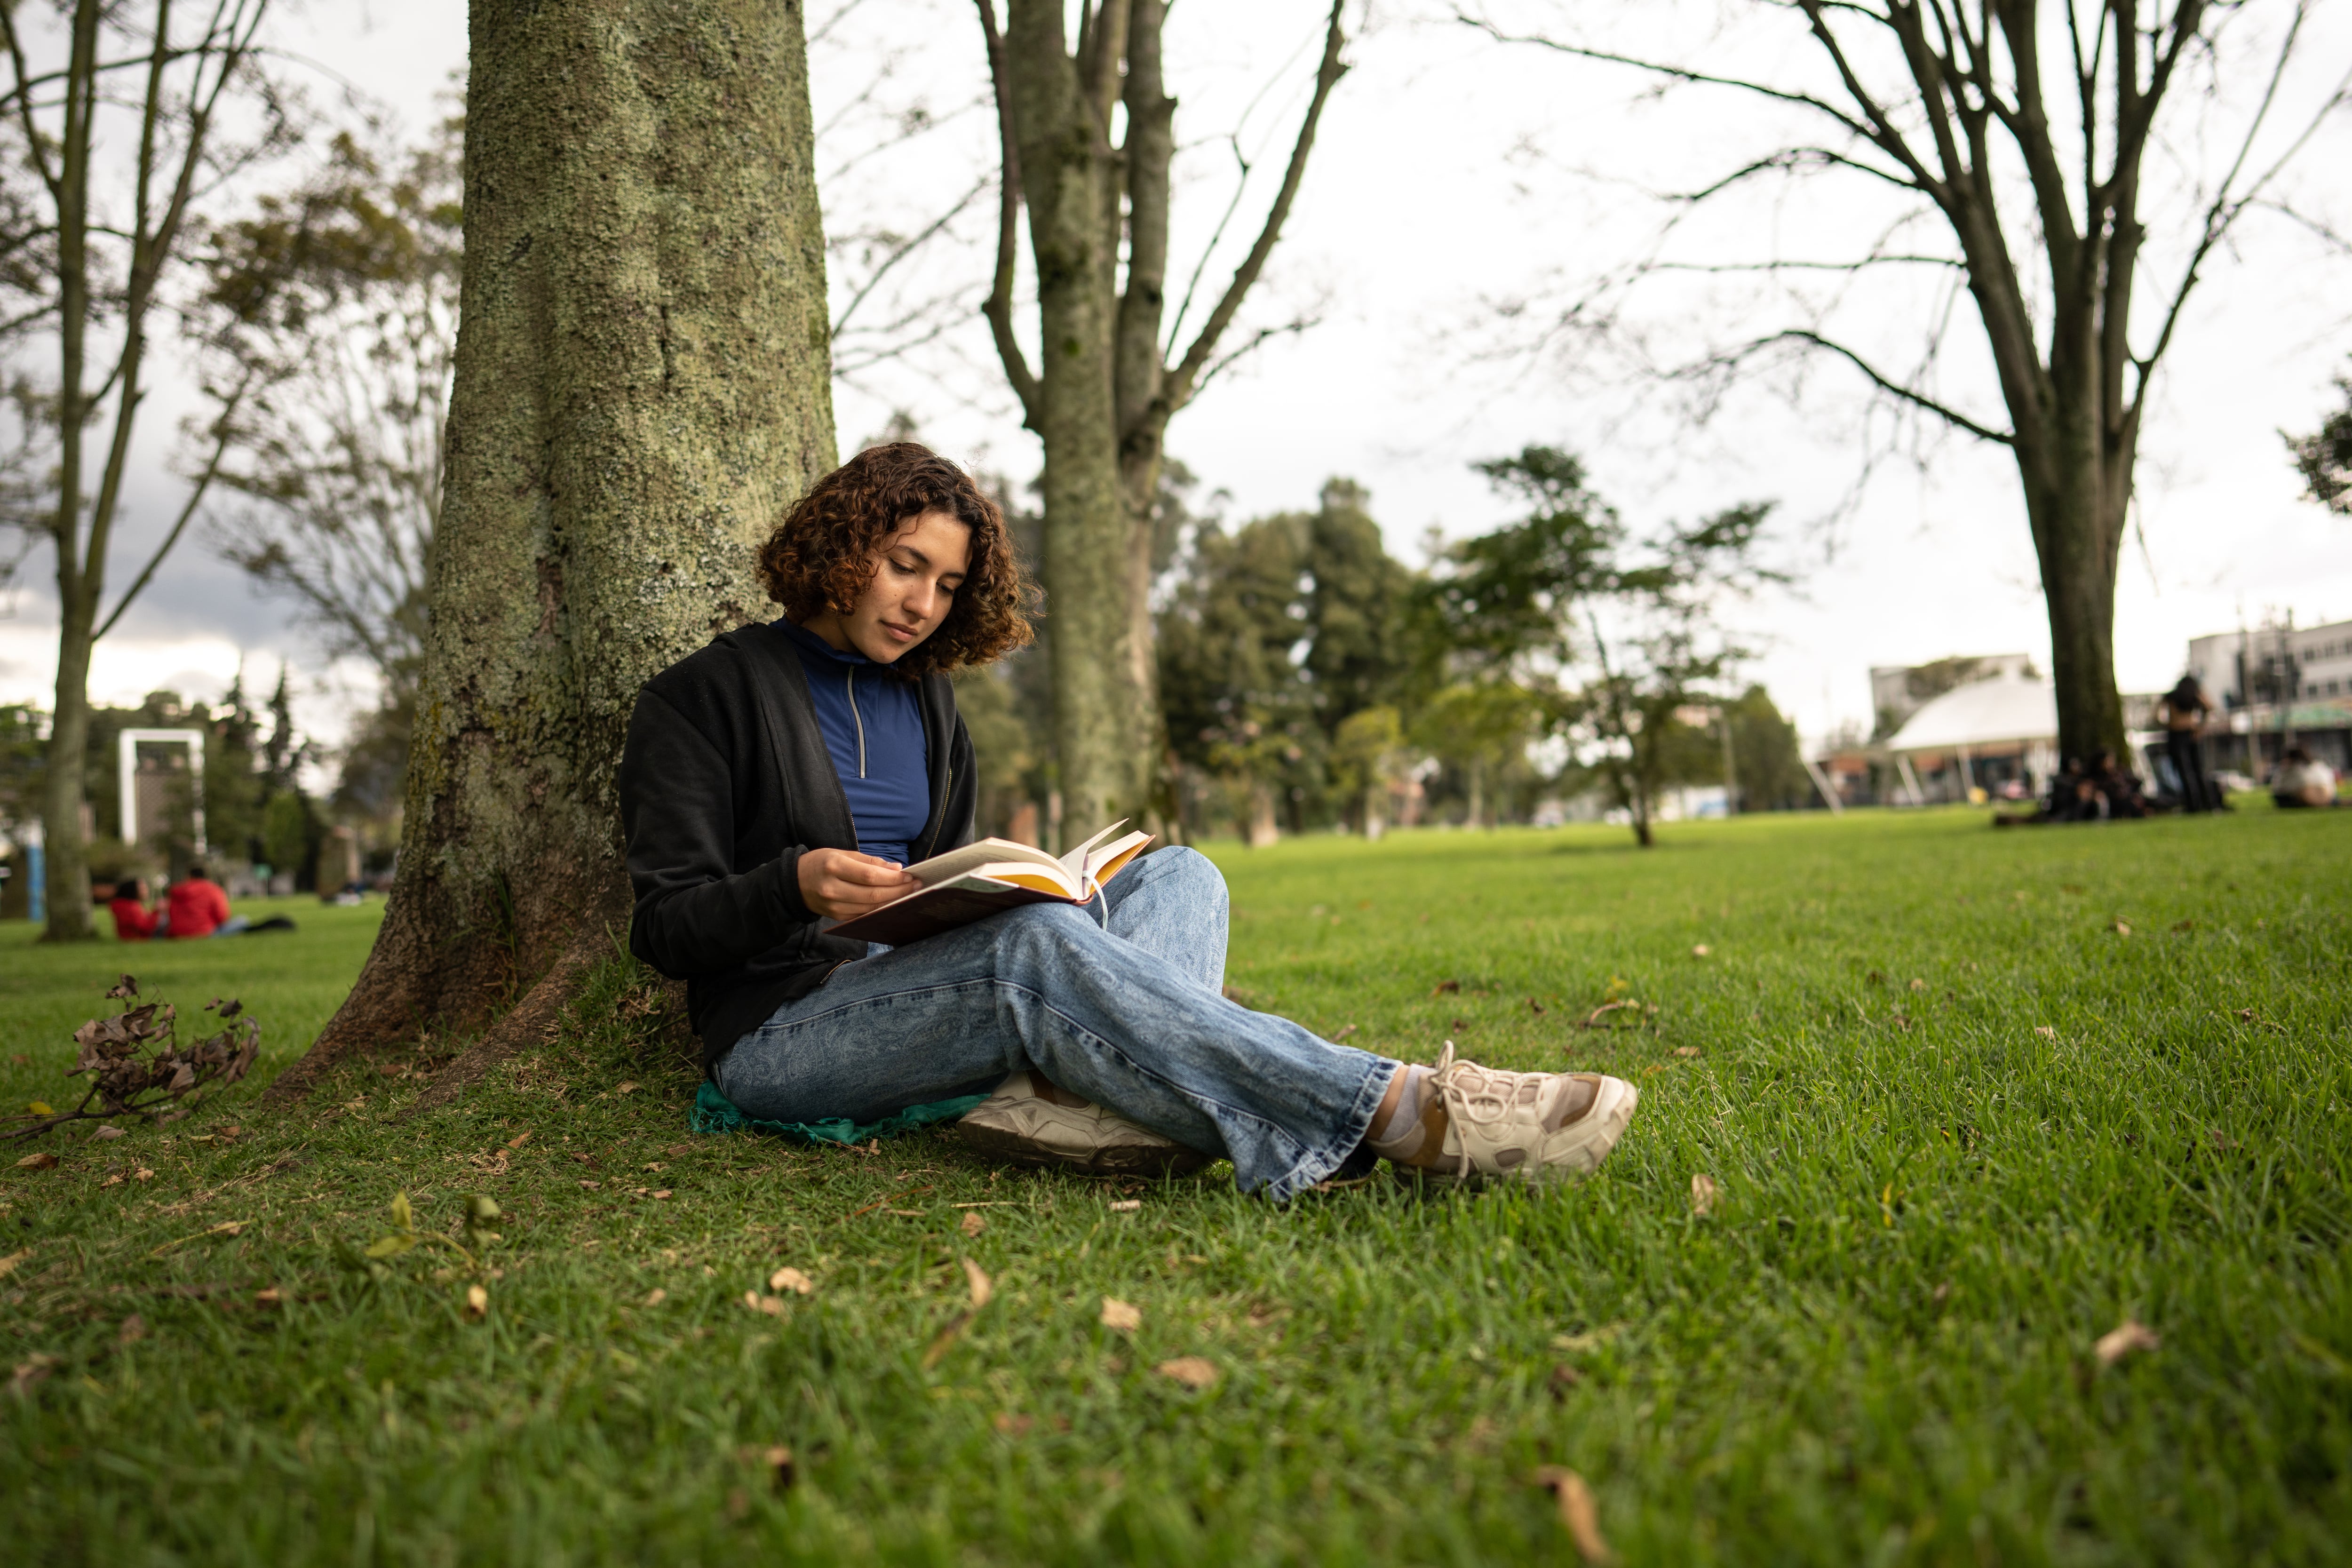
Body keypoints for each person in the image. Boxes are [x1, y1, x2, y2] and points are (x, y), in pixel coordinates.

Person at [619, 443, 1640, 1199]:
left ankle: (1084, 1111)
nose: (923, 603)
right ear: (842, 546)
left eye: (947, 583)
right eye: (902, 564)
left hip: (917, 990)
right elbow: (662, 928)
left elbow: (941, 884)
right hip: (785, 1033)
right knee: (1030, 949)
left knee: (1182, 873)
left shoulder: (927, 699)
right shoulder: (701, 697)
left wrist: (998, 888)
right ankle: (1401, 1110)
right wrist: (789, 883)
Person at [2152, 675, 2216, 812]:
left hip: (2176, 734)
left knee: (2183, 771)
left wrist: (2167, 724)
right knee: (2199, 769)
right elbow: (2209, 707)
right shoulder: (2194, 695)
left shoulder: (2171, 696)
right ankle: (2208, 803)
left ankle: (2192, 805)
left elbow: (2156, 715)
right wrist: (2200, 727)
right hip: (2192, 733)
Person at [2272, 745, 2340, 808]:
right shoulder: (2320, 765)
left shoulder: (2291, 769)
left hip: (2305, 798)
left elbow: (2278, 789)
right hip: (2328, 796)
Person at [108, 876, 159, 941]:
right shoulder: (131, 907)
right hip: (138, 938)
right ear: (133, 890)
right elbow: (145, 928)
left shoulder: (127, 905)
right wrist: (157, 912)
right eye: (143, 889)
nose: (147, 891)